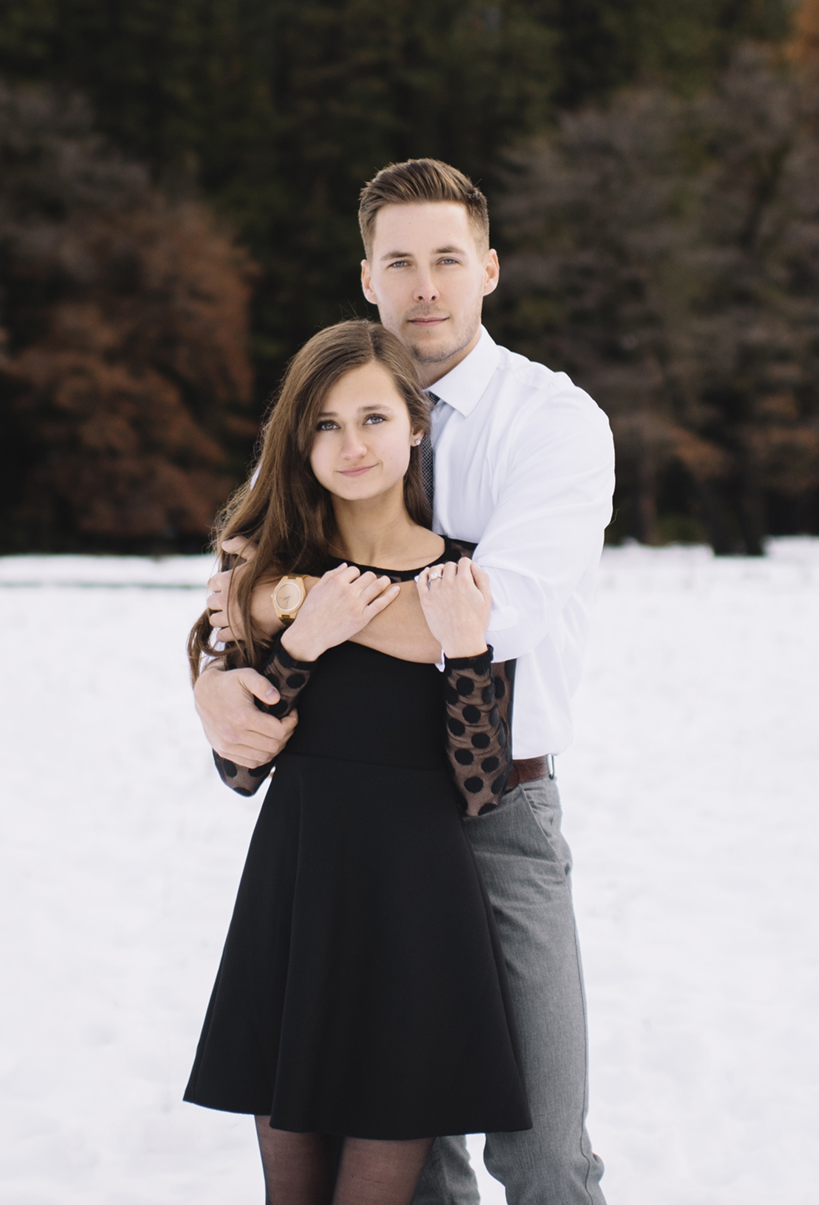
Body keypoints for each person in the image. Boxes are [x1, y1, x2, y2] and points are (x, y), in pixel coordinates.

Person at [198, 159, 615, 1205]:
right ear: (366, 278)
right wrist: (212, 672)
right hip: (346, 821)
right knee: (403, 1151)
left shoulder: (553, 421)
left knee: (545, 1140)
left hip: (497, 802)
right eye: (399, 262)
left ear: (487, 267)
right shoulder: (328, 406)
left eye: (445, 259)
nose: (424, 285)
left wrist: (301, 602)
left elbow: (490, 617)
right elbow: (235, 576)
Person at [183, 319, 528, 1204]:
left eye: (373, 418)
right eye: (326, 424)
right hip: (296, 897)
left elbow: (483, 785)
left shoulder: (461, 579)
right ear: (299, 441)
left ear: (416, 426)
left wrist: (466, 657)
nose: (352, 444)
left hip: (415, 911)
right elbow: (239, 769)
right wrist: (301, 638)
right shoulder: (271, 572)